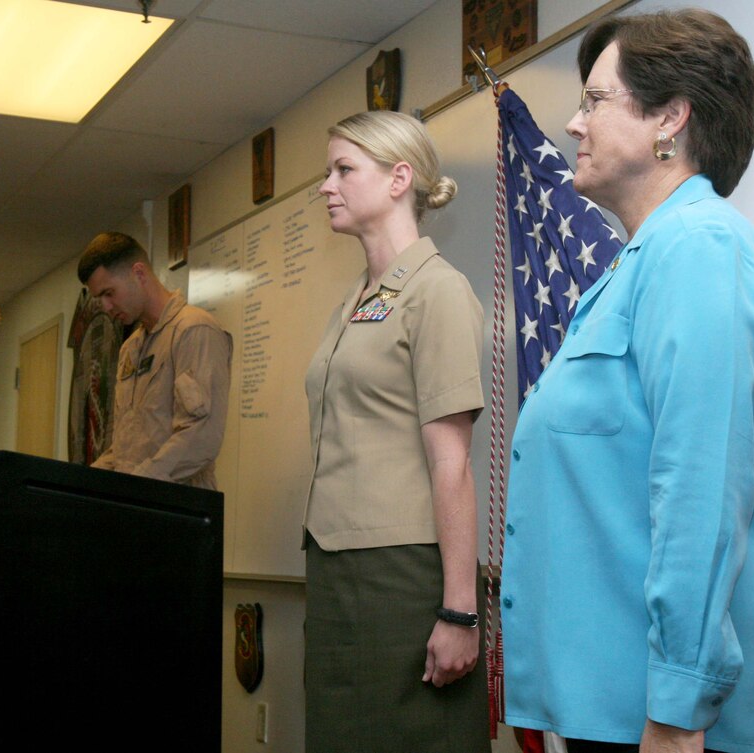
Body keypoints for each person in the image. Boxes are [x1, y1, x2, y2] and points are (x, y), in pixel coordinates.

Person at [501, 10, 754, 753]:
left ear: (670, 117)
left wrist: (677, 707)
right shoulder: (641, 264)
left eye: (596, 100)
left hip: (668, 727)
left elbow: (702, 489)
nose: (574, 122)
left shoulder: (698, 249)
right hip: (612, 710)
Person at [303, 111, 489, 752]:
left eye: (343, 169)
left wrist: (460, 611)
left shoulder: (436, 292)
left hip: (402, 576)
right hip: (336, 570)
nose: (326, 184)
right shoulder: (356, 300)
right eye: (328, 171)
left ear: (398, 179)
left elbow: (453, 464)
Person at [77, 231, 232, 489]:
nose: (106, 307)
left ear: (138, 273)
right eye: (99, 298)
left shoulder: (194, 330)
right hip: (138, 505)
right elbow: (127, 447)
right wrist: (83, 483)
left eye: (109, 293)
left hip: (177, 507)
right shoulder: (131, 348)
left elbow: (200, 436)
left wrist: (136, 484)